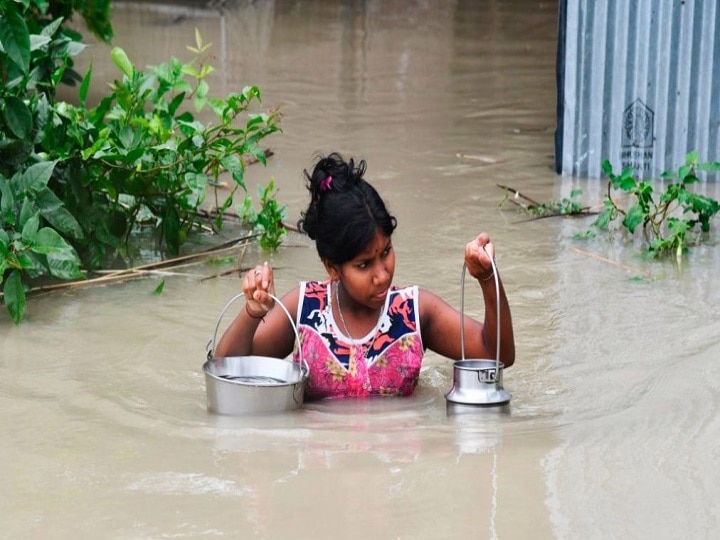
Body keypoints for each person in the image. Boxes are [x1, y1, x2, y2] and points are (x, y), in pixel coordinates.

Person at [214, 152, 515, 400]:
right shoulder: (305, 309)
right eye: (364, 265)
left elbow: (496, 355)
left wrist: (488, 279)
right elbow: (227, 372)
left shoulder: (413, 312)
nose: (382, 275)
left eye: (386, 252)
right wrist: (252, 313)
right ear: (332, 267)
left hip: (395, 468)